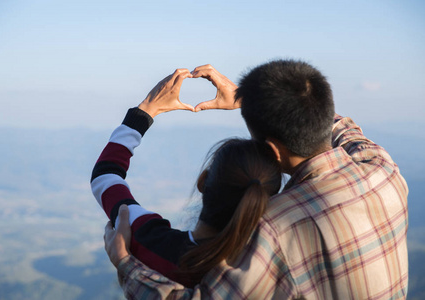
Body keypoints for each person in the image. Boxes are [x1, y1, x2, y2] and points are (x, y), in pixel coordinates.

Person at [103, 60, 409, 299]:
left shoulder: (272, 232)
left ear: (272, 152)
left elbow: (105, 177)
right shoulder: (382, 169)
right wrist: (252, 102)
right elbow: (338, 125)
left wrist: (124, 263)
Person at [92, 69, 283, 287]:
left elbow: (105, 176)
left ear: (203, 181)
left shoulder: (154, 245)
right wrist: (253, 103)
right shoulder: (277, 259)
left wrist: (146, 110)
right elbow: (325, 146)